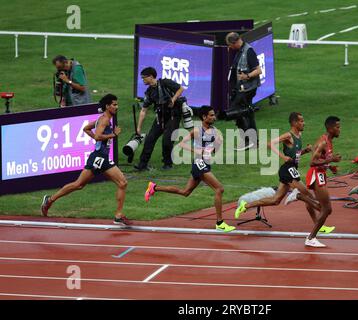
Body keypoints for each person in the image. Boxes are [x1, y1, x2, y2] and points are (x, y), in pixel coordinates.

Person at [234, 112, 336, 233]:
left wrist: (305, 151)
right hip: (288, 169)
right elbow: (270, 143)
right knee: (307, 194)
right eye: (301, 121)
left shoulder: (299, 135)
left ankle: (245, 205)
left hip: (291, 168)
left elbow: (295, 155)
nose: (304, 123)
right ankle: (299, 198)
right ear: (294, 123)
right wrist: (283, 157)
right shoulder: (288, 135)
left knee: (275, 200)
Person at [40, 94, 130, 226]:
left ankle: (50, 200)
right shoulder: (104, 119)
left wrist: (99, 137)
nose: (117, 107)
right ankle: (118, 216)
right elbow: (98, 136)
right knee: (121, 183)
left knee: (80, 185)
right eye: (114, 104)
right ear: (107, 106)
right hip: (99, 156)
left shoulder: (104, 119)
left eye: (117, 104)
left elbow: (86, 128)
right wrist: (113, 134)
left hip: (101, 157)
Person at [144, 106, 235, 232]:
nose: (214, 117)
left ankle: (154, 187)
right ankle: (220, 223)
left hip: (206, 162)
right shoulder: (196, 131)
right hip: (199, 162)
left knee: (185, 192)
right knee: (219, 189)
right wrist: (197, 150)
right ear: (204, 117)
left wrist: (218, 144)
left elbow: (213, 151)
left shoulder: (214, 131)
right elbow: (182, 144)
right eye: (211, 115)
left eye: (214, 115)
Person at [134, 67, 184, 171]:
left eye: (144, 78)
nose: (142, 80)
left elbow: (181, 89)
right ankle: (142, 165)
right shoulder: (149, 92)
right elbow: (143, 110)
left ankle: (167, 164)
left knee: (167, 140)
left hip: (173, 115)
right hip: (160, 117)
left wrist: (173, 100)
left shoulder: (165, 83)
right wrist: (139, 128)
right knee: (149, 139)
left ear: (151, 77)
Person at [304, 116, 342, 247]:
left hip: (321, 173)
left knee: (326, 209)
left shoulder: (329, 141)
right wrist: (330, 161)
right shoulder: (323, 142)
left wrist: (330, 166)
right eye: (337, 127)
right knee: (327, 209)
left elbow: (322, 158)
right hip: (316, 174)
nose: (339, 130)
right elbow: (312, 162)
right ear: (330, 128)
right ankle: (310, 238)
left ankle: (301, 197)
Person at [225, 32, 262, 151]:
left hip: (247, 88)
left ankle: (248, 140)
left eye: (230, 45)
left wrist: (247, 76)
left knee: (236, 112)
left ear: (235, 42)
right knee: (248, 113)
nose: (229, 48)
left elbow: (258, 70)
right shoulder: (240, 51)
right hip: (242, 88)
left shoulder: (248, 51)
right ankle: (253, 141)